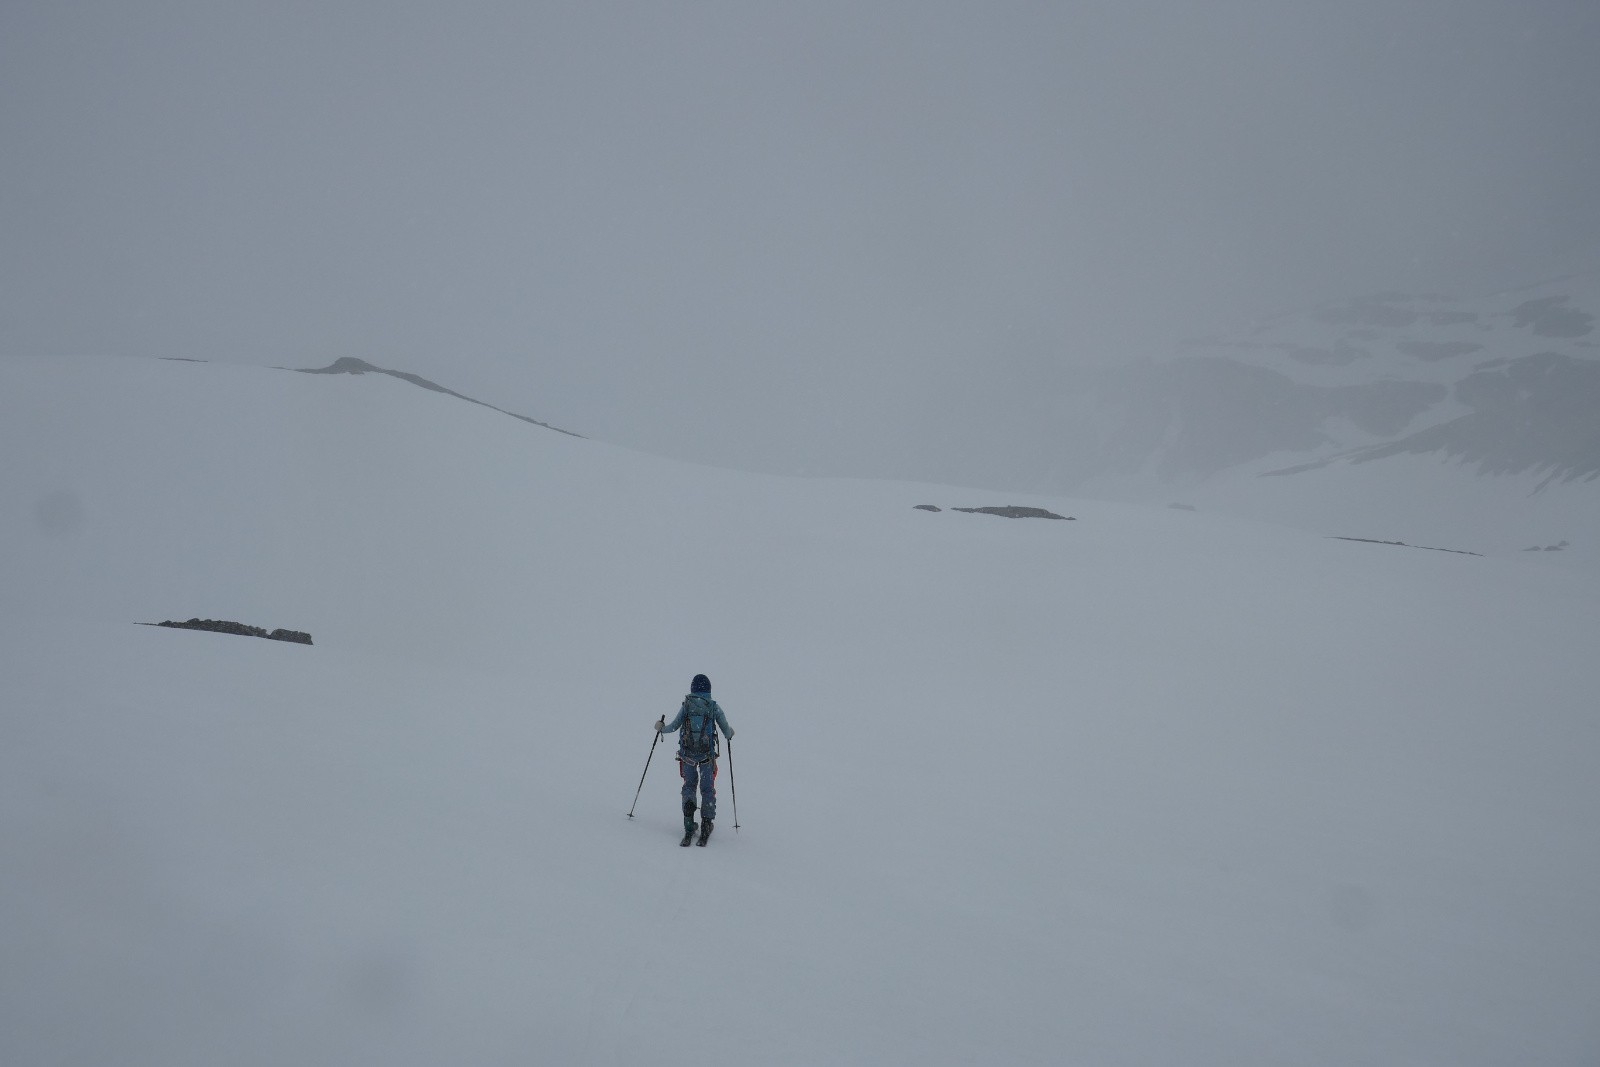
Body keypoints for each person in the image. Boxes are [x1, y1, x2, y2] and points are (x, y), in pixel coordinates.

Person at [656, 674, 734, 845]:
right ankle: (706, 825)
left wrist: (661, 728)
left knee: (689, 786)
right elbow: (726, 730)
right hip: (706, 756)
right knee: (707, 789)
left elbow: (674, 725)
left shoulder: (687, 705)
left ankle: (689, 822)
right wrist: (730, 733)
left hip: (687, 756)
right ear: (709, 690)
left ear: (692, 689)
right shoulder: (713, 707)